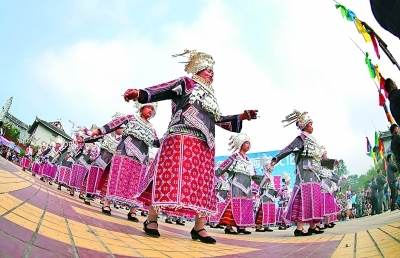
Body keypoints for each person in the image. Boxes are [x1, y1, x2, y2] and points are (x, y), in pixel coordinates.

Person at [123, 49, 258, 244]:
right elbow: (164, 89)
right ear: (197, 70)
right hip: (180, 136)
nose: (211, 73)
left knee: (202, 184)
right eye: (207, 70)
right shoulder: (186, 83)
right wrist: (141, 93)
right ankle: (151, 219)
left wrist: (242, 117)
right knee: (168, 176)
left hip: (205, 143)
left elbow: (217, 119)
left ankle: (199, 227)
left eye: (212, 71)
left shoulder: (212, 98)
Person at [270, 110, 337, 237]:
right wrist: (276, 158)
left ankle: (312, 226)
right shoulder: (301, 139)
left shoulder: (314, 141)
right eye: (310, 124)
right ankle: (299, 228)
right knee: (303, 200)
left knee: (314, 200)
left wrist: (330, 162)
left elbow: (318, 160)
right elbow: (289, 149)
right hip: (304, 175)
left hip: (315, 176)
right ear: (305, 125)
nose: (313, 126)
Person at [90, 101, 160, 223]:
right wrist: (100, 131)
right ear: (141, 107)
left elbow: (155, 143)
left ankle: (132, 211)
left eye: (152, 109)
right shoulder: (130, 118)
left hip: (142, 158)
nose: (150, 110)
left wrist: (169, 136)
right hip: (124, 152)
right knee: (117, 178)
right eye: (148, 107)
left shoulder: (152, 128)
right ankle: (106, 203)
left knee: (137, 184)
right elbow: (115, 124)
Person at [215, 133, 255, 235]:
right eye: (246, 143)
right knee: (235, 205)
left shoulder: (249, 160)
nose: (248, 145)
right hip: (237, 185)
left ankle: (241, 227)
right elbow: (224, 166)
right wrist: (215, 174)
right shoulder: (235, 156)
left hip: (247, 187)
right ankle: (229, 227)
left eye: (249, 143)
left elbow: (253, 174)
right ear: (241, 144)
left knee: (245, 206)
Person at [252, 155, 277, 232]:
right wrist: (265, 180)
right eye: (271, 166)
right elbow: (261, 184)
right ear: (267, 167)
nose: (272, 168)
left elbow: (272, 186)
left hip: (271, 195)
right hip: (265, 194)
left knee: (270, 210)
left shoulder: (271, 176)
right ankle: (259, 226)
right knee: (263, 210)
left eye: (273, 167)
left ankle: (266, 225)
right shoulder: (265, 175)